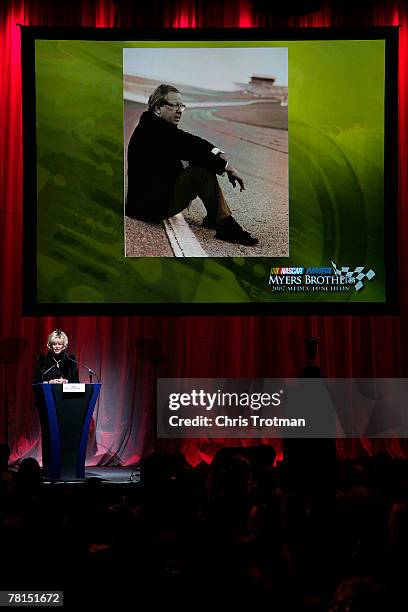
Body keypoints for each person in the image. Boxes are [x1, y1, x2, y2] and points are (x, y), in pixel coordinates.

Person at [125, 83, 258, 247]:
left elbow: (195, 142)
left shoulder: (153, 125)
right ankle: (226, 225)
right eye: (174, 105)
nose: (179, 110)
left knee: (201, 159)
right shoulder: (155, 131)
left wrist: (219, 153)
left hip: (147, 201)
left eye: (182, 106)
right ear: (158, 108)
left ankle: (213, 217)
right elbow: (192, 148)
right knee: (200, 172)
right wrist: (227, 166)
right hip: (148, 208)